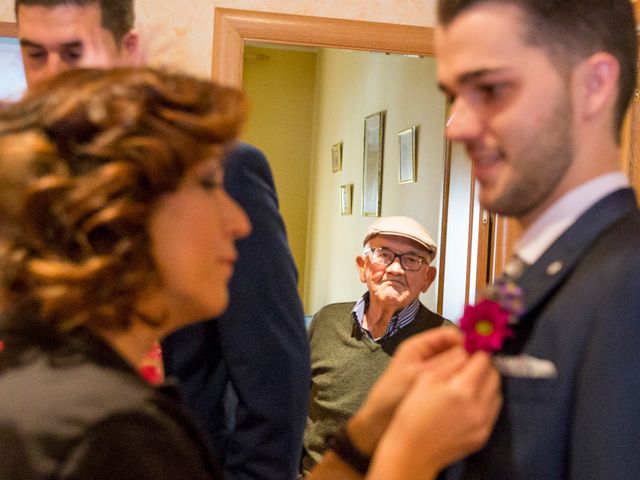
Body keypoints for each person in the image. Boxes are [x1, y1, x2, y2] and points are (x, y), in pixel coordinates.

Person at [15, 1, 311, 477]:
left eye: (73, 54)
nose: (52, 78)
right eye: (36, 55)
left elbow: (273, 370)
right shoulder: (26, 181)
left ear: (125, 51)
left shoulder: (218, 169)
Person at [435, 0, 640, 478]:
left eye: (491, 89)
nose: (456, 127)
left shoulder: (628, 279)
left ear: (592, 87)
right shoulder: (534, 269)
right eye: (454, 96)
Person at [302, 216, 452, 474]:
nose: (395, 269)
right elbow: (292, 408)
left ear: (428, 278)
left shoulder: (444, 341)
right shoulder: (326, 321)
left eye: (412, 259)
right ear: (362, 267)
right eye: (384, 255)